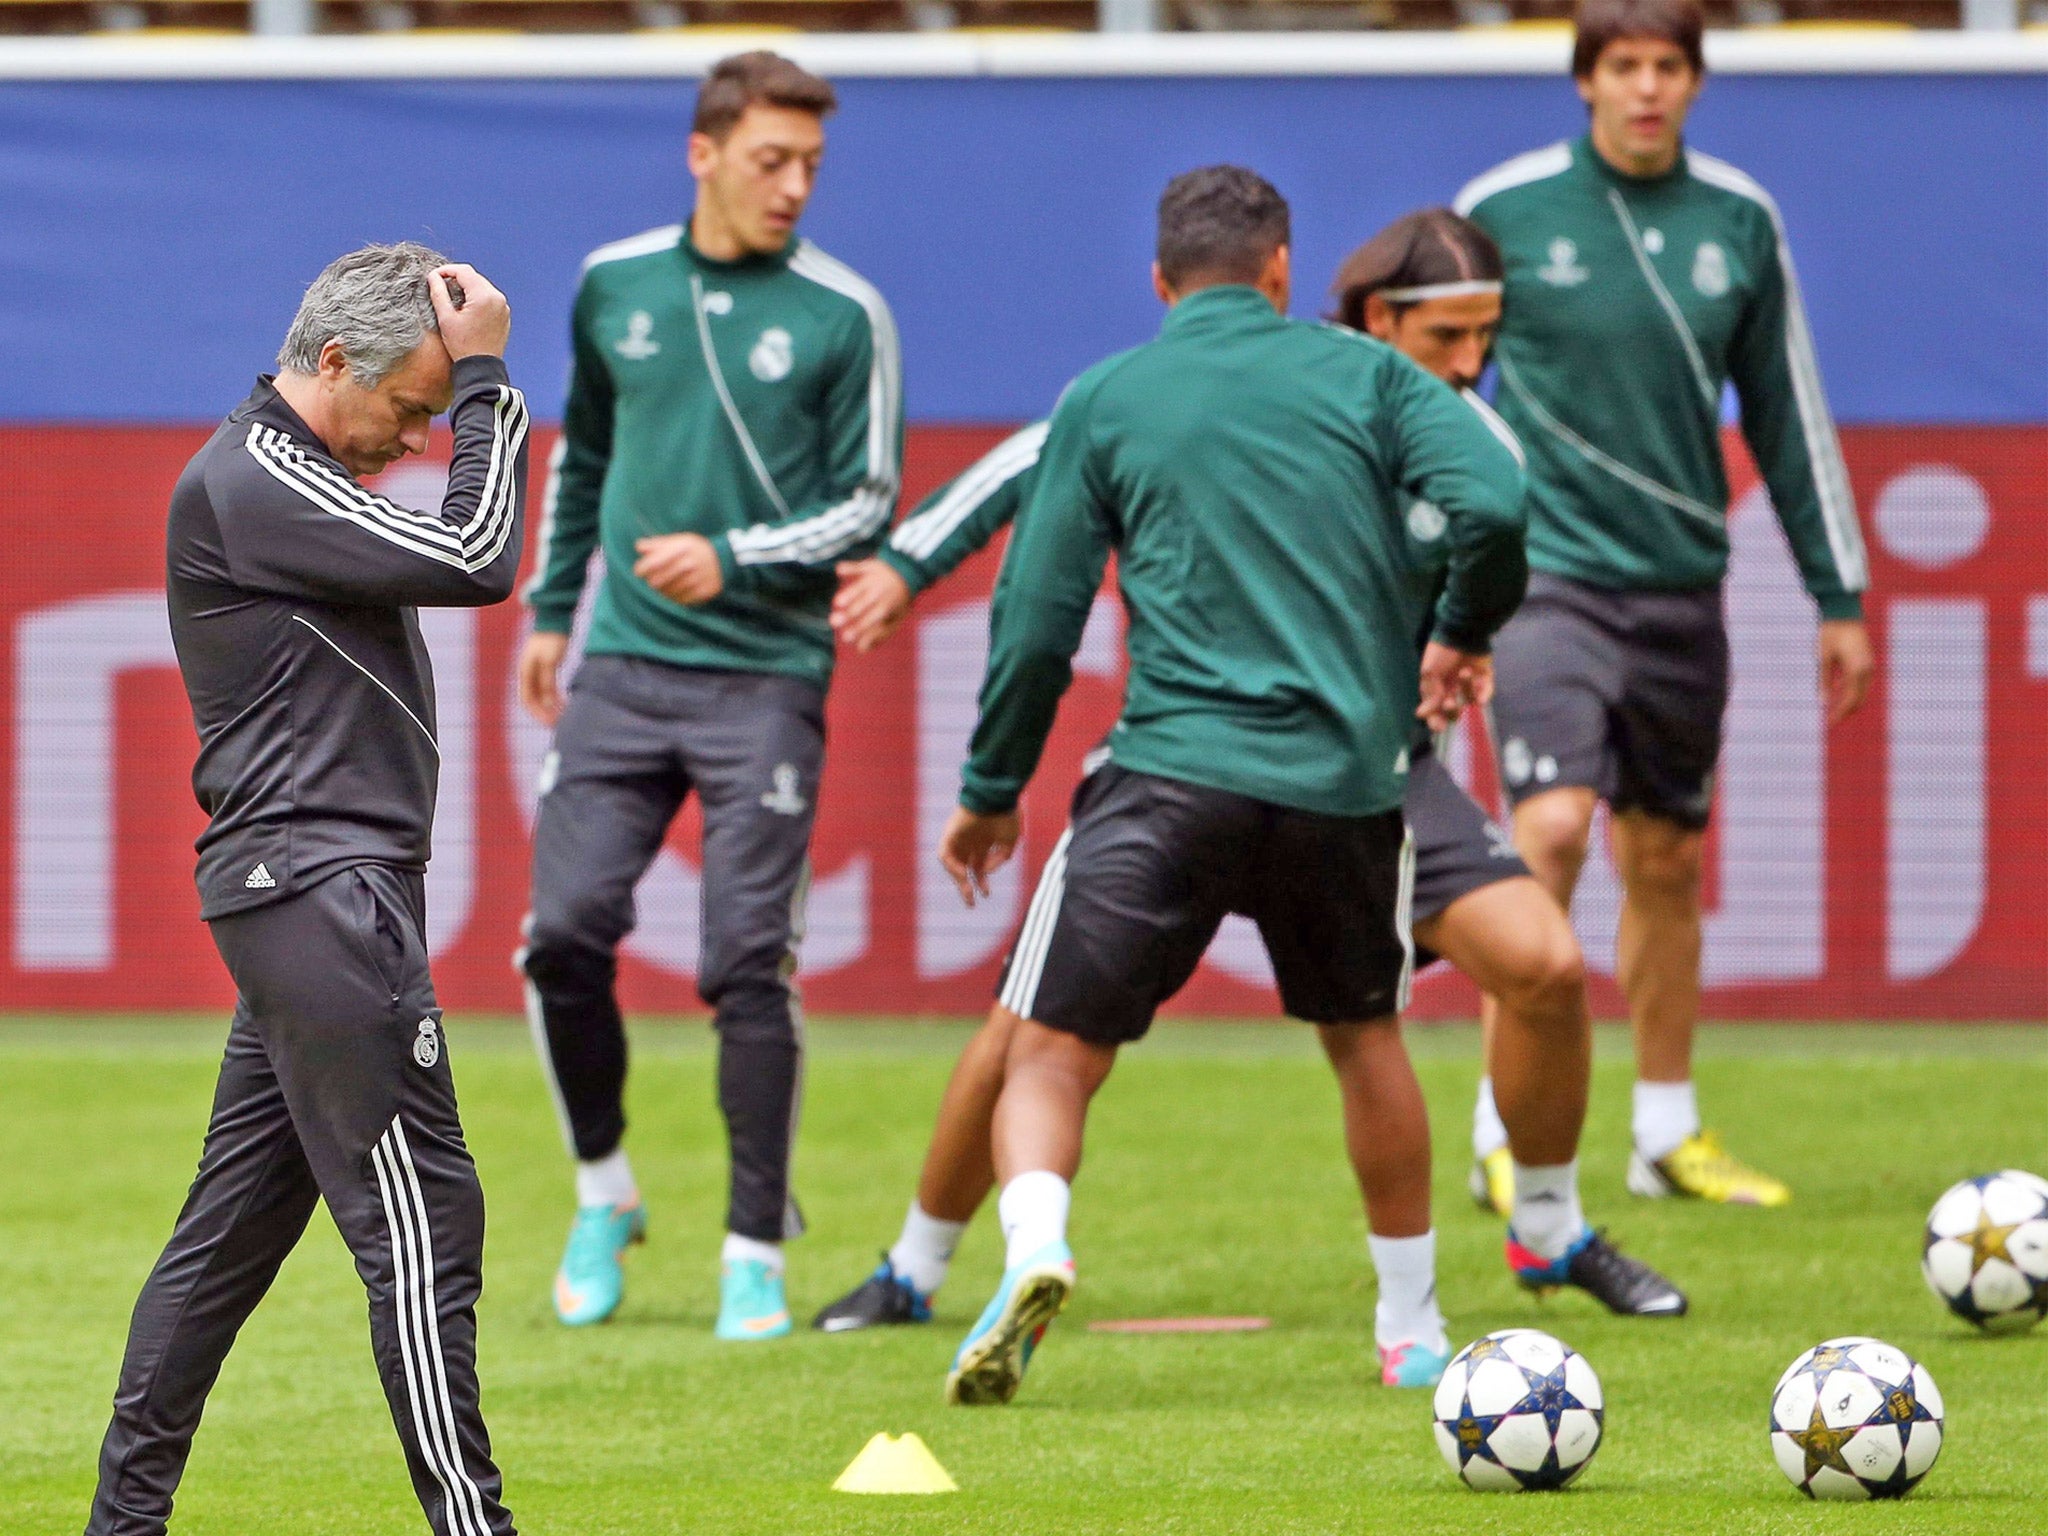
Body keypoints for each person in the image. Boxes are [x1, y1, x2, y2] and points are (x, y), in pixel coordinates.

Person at [814, 208, 1685, 1357]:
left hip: (1369, 765)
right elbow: (1037, 458)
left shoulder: (1459, 427)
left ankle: (1548, 1226)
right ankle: (917, 1263)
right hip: (1309, 769)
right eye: (1452, 332)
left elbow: (1060, 546)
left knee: (1544, 966)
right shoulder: (1308, 386)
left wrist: (1458, 639)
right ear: (1371, 316)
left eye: (1490, 333)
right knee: (1035, 1021)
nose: (1475, 362)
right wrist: (911, 561)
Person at [926, 165, 1529, 1406]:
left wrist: (991, 787)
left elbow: (1035, 621)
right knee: (1365, 1044)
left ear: (1158, 283)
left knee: (1046, 1052)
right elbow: (1495, 498)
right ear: (1279, 272)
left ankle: (1036, 1249)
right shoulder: (1367, 376)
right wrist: (1462, 627)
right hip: (1346, 786)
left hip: (1170, 775)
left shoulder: (1107, 396)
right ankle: (1410, 1327)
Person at [88, 243, 527, 1536]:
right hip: (321, 895)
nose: (409, 441)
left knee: (225, 1241)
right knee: (424, 1220)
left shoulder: (283, 476)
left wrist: (456, 392)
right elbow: (480, 555)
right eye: (406, 410)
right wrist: (493, 377)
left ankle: (124, 1524)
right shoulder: (259, 474)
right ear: (332, 363)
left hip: (308, 897)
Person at [1454, 0, 1873, 1207]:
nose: (1645, 88)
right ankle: (1502, 1126)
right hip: (1544, 579)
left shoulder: (1737, 221)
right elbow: (1436, 382)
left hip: (1681, 584)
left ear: (1693, 83)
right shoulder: (1505, 210)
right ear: (1583, 82)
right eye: (1622, 66)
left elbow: (1786, 413)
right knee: (1547, 831)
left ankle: (1661, 1131)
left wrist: (1833, 594)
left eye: (1667, 67)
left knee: (1666, 860)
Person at [517, 50, 902, 1341]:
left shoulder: (847, 313)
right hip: (622, 667)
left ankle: (753, 1250)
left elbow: (869, 502)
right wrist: (553, 610)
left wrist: (732, 556)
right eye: (769, 161)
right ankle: (602, 1191)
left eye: (811, 166)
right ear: (704, 155)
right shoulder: (613, 284)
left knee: (746, 964)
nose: (793, 187)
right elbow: (590, 457)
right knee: (560, 936)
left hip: (765, 679)